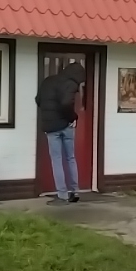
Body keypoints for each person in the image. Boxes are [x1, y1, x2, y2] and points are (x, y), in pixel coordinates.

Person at [35, 62, 85, 204]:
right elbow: (66, 103)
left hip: (51, 127)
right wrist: (73, 117)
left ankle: (62, 195)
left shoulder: (48, 81)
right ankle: (74, 191)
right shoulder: (70, 83)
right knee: (70, 158)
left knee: (56, 160)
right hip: (67, 126)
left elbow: (38, 100)